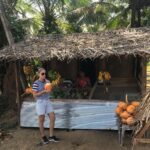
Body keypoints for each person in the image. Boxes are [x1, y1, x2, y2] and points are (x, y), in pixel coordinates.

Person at [32, 68, 59, 144]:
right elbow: (34, 95)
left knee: (53, 117)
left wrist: (50, 89)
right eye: (42, 74)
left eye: (45, 73)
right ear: (38, 74)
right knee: (41, 119)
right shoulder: (36, 83)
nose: (44, 75)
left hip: (47, 100)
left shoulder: (47, 81)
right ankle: (43, 137)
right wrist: (43, 91)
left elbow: (49, 91)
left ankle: (51, 136)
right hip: (40, 102)